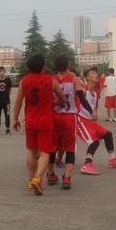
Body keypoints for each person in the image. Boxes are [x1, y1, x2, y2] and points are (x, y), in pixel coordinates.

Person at [12, 54, 65, 196]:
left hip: (30, 121)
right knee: (45, 152)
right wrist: (56, 103)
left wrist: (15, 119)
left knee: (31, 150)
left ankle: (31, 180)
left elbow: (18, 102)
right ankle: (38, 178)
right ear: (43, 66)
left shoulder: (24, 81)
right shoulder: (51, 81)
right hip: (46, 121)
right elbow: (62, 98)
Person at [46, 55, 96, 190]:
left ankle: (50, 174)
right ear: (68, 64)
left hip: (54, 116)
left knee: (52, 147)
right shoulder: (74, 79)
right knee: (69, 148)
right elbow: (81, 97)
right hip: (69, 117)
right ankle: (67, 177)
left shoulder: (51, 80)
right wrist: (91, 111)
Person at [77, 68, 116, 175]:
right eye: (93, 73)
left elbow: (93, 107)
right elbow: (77, 97)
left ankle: (112, 160)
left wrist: (94, 114)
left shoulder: (94, 93)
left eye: (96, 73)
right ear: (87, 78)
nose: (96, 74)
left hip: (90, 121)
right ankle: (86, 165)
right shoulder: (82, 90)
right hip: (80, 121)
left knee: (107, 134)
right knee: (94, 142)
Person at [0, 66, 12, 135]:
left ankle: (8, 129)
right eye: (0, 71)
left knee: (7, 115)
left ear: (5, 72)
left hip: (7, 101)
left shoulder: (8, 80)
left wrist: (7, 96)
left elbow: (10, 89)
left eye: (3, 71)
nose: (2, 72)